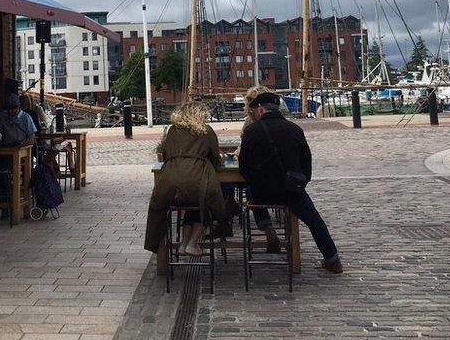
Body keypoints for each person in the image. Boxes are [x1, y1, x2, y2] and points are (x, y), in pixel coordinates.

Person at [238, 91, 343, 273]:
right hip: (291, 191)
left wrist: (255, 181)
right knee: (314, 221)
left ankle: (268, 230)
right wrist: (300, 184)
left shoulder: (251, 132)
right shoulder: (295, 130)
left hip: (262, 193)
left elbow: (244, 167)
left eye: (255, 110)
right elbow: (306, 164)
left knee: (251, 191)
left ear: (261, 109)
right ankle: (332, 259)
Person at [144, 102, 225, 257]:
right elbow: (215, 158)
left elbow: (165, 153)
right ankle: (193, 243)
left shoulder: (173, 131)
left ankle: (183, 244)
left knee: (191, 203)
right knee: (210, 202)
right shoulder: (206, 131)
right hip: (196, 181)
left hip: (169, 186)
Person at [233, 85, 282, 252]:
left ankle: (268, 229)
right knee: (230, 185)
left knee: (252, 188)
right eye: (247, 99)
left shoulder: (264, 124)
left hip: (269, 178)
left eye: (250, 100)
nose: (248, 103)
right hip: (275, 179)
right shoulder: (248, 122)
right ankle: (228, 206)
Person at [0, 94, 37, 216]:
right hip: (4, 149)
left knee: (3, 174)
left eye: (13, 109)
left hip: (19, 151)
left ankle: (6, 206)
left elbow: (32, 138)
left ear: (18, 108)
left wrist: (22, 146)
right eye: (9, 109)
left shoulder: (25, 118)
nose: (11, 111)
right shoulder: (3, 116)